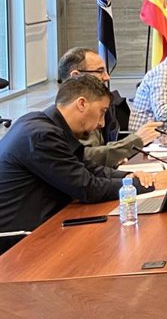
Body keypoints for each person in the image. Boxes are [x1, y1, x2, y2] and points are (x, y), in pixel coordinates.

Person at [0, 75, 152, 241]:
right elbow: (87, 188)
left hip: (46, 223)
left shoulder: (48, 125)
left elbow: (87, 167)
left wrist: (128, 177)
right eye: (102, 112)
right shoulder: (40, 135)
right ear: (82, 104)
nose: (102, 123)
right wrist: (147, 185)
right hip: (21, 240)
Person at [57, 47, 160, 167]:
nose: (107, 77)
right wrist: (135, 141)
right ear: (76, 75)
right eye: (100, 71)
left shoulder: (105, 105)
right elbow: (84, 158)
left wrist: (116, 159)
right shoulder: (67, 116)